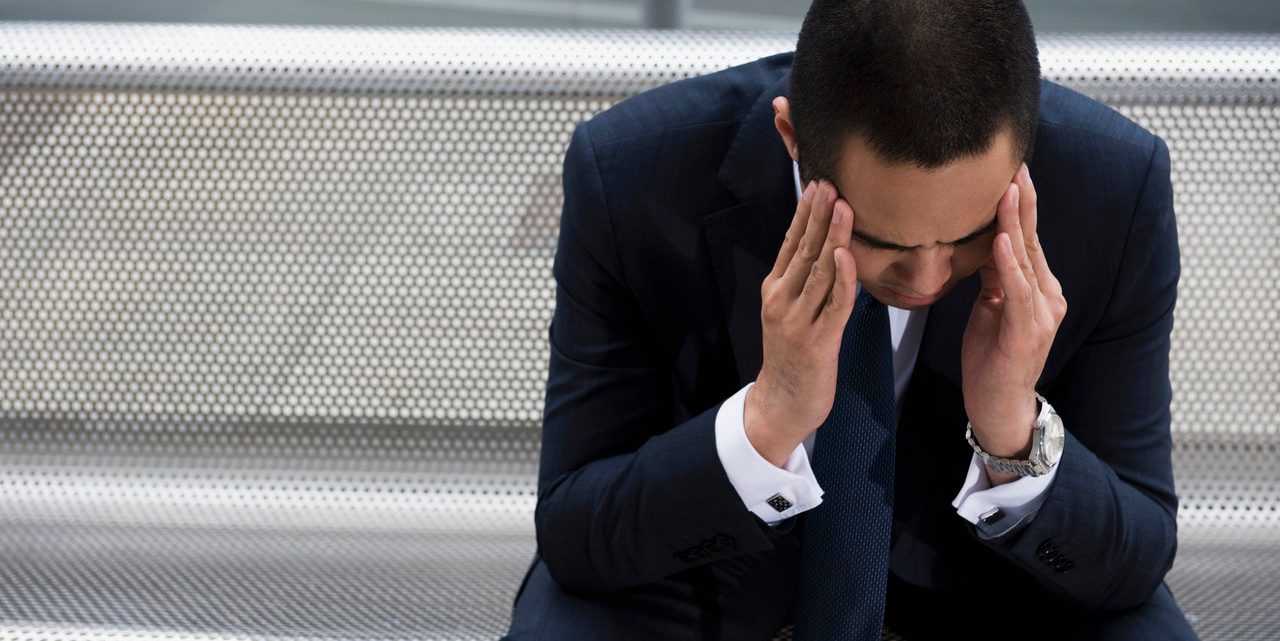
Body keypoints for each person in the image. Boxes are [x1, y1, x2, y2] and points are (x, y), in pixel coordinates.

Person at [502, 0, 1199, 639]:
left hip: (994, 582)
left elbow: (1137, 554)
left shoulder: (1114, 187)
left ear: (1023, 155)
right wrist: (767, 421)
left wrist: (1013, 430)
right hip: (701, 574)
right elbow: (574, 528)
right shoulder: (631, 175)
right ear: (792, 140)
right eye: (883, 240)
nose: (926, 277)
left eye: (969, 233)